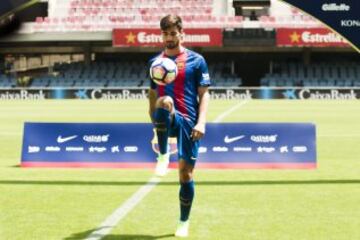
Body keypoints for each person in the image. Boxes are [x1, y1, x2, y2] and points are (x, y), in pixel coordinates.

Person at [148, 15, 211, 238]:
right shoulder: (155, 63)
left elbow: (204, 95)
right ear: (161, 35)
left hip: (190, 123)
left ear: (181, 33)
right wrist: (154, 122)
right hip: (168, 116)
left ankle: (183, 221)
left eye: (173, 33)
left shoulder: (196, 60)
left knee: (186, 175)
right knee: (164, 102)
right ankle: (163, 157)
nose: (169, 37)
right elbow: (153, 95)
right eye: (165, 33)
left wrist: (202, 122)